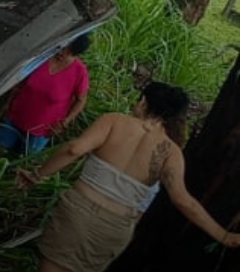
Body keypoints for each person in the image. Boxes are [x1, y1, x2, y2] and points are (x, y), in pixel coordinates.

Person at [17, 82, 240, 272]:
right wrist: (223, 235)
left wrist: (37, 174)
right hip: (115, 228)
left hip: (79, 213)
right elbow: (183, 201)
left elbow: (74, 149)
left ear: (144, 102)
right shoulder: (172, 153)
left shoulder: (114, 121)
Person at [0, 34, 91, 155]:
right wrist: (8, 102)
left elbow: (81, 100)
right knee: (0, 149)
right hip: (16, 116)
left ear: (75, 54)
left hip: (42, 130)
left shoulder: (80, 73)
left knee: (24, 157)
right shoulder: (43, 57)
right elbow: (21, 82)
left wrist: (65, 122)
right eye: (62, 48)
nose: (62, 53)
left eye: (68, 53)